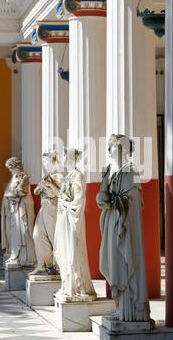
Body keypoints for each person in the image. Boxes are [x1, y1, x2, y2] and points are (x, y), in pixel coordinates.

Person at [96, 134, 153, 323]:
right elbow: (101, 198)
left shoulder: (130, 172)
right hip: (113, 223)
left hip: (125, 227)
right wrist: (105, 187)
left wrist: (116, 201)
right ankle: (121, 307)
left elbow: (135, 199)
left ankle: (131, 311)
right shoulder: (111, 172)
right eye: (110, 146)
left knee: (124, 263)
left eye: (112, 146)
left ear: (121, 149)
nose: (109, 149)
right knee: (114, 264)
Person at [54, 148, 97, 301]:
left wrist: (65, 205)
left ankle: (78, 286)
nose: (63, 158)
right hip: (63, 219)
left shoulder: (78, 176)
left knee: (73, 251)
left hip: (71, 219)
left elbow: (79, 200)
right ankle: (67, 284)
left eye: (65, 156)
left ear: (71, 158)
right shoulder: (67, 177)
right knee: (63, 251)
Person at [29, 151, 63, 277]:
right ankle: (43, 264)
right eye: (43, 162)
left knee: (53, 237)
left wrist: (49, 185)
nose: (44, 164)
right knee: (37, 235)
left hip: (52, 208)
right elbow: (36, 191)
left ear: (53, 162)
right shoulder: (46, 176)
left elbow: (58, 194)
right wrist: (41, 186)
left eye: (46, 161)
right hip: (43, 209)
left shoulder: (58, 177)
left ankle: (57, 266)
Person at [1, 157, 36, 267]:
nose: (10, 171)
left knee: (24, 232)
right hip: (14, 210)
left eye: (10, 168)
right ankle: (15, 255)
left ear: (16, 166)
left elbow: (21, 191)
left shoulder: (24, 177)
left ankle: (26, 258)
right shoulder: (14, 178)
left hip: (23, 210)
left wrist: (11, 194)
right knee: (15, 233)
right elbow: (12, 192)